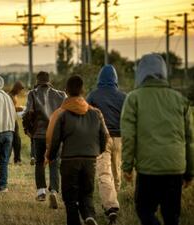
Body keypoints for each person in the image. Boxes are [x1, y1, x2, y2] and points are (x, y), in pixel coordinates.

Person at [121, 53, 194, 225]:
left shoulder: (134, 98)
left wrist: (127, 166)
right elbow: (190, 140)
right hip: (175, 168)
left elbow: (129, 136)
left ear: (140, 74)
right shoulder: (180, 99)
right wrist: (190, 172)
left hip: (148, 169)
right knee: (172, 216)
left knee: (144, 210)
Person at [45, 75, 110, 225]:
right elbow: (105, 136)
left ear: (66, 91)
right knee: (87, 194)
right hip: (90, 160)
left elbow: (55, 140)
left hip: (69, 160)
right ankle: (89, 216)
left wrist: (51, 156)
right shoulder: (96, 113)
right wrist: (97, 151)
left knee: (70, 198)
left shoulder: (63, 114)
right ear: (82, 90)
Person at [86, 65, 126, 223]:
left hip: (101, 139)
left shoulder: (93, 95)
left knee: (104, 173)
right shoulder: (124, 96)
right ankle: (113, 204)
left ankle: (111, 206)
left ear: (100, 79)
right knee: (117, 171)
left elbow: (87, 116)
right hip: (119, 139)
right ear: (115, 79)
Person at [22, 71, 66, 208]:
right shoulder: (61, 95)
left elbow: (28, 113)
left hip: (39, 134)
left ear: (37, 81)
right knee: (54, 162)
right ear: (48, 81)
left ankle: (41, 191)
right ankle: (53, 190)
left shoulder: (32, 93)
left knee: (39, 162)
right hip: (55, 134)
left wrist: (28, 130)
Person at [9, 81, 25, 165]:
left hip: (14, 119)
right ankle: (14, 159)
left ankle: (17, 159)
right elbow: (8, 108)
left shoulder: (15, 95)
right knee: (12, 140)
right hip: (9, 120)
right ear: (16, 88)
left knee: (17, 140)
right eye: (20, 89)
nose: (20, 91)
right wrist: (18, 109)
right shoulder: (9, 96)